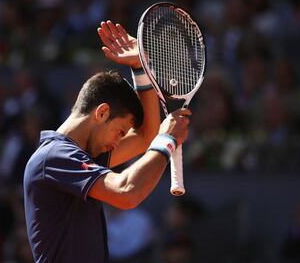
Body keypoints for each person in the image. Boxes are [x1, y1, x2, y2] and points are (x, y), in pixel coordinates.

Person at [23, 20, 191, 262]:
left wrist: (139, 68)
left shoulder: (82, 155)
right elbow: (127, 192)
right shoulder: (55, 158)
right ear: (101, 113)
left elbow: (145, 137)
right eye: (120, 132)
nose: (117, 144)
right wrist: (166, 141)